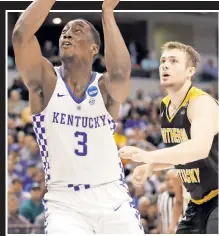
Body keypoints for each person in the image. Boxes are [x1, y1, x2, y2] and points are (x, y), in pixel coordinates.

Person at [12, 0, 143, 234]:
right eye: (64, 31)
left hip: (112, 197)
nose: (67, 34)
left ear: (94, 48)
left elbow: (121, 73)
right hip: (65, 202)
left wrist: (108, 12)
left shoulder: (104, 87)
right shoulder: (46, 82)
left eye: (77, 30)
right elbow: (21, 36)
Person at [119, 41, 218, 234]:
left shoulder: (201, 103)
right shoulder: (165, 105)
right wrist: (151, 167)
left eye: (174, 61)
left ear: (190, 71)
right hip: (198, 203)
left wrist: (149, 156)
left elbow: (199, 148)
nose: (165, 65)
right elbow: (180, 155)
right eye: (163, 60)